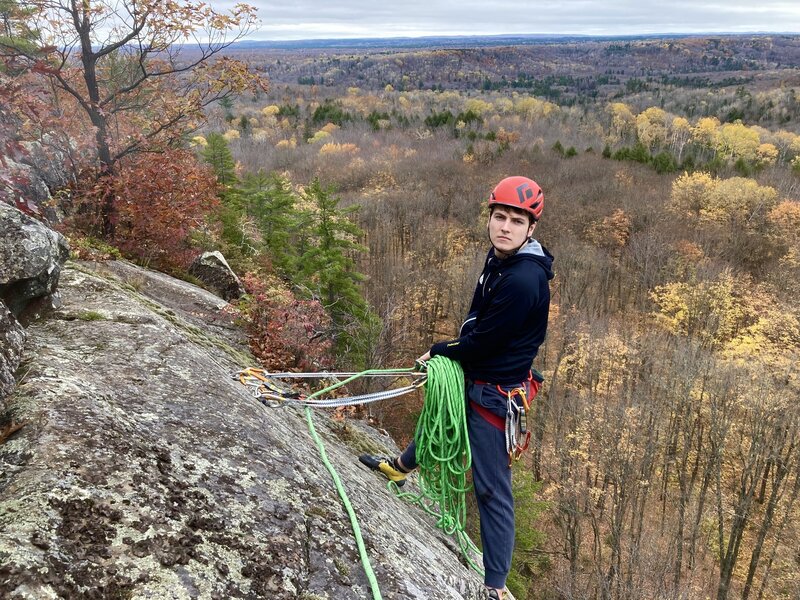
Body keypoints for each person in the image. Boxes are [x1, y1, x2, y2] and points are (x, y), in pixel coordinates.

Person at [360, 175, 554, 600]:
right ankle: (401, 466)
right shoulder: (500, 258)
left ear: (531, 228)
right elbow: (478, 320)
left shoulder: (524, 280)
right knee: (439, 421)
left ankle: (496, 587)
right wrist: (453, 352)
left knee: (491, 488)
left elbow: (485, 341)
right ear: (491, 217)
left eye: (516, 221)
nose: (505, 227)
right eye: (499, 217)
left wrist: (442, 350)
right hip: (481, 375)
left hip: (495, 393)